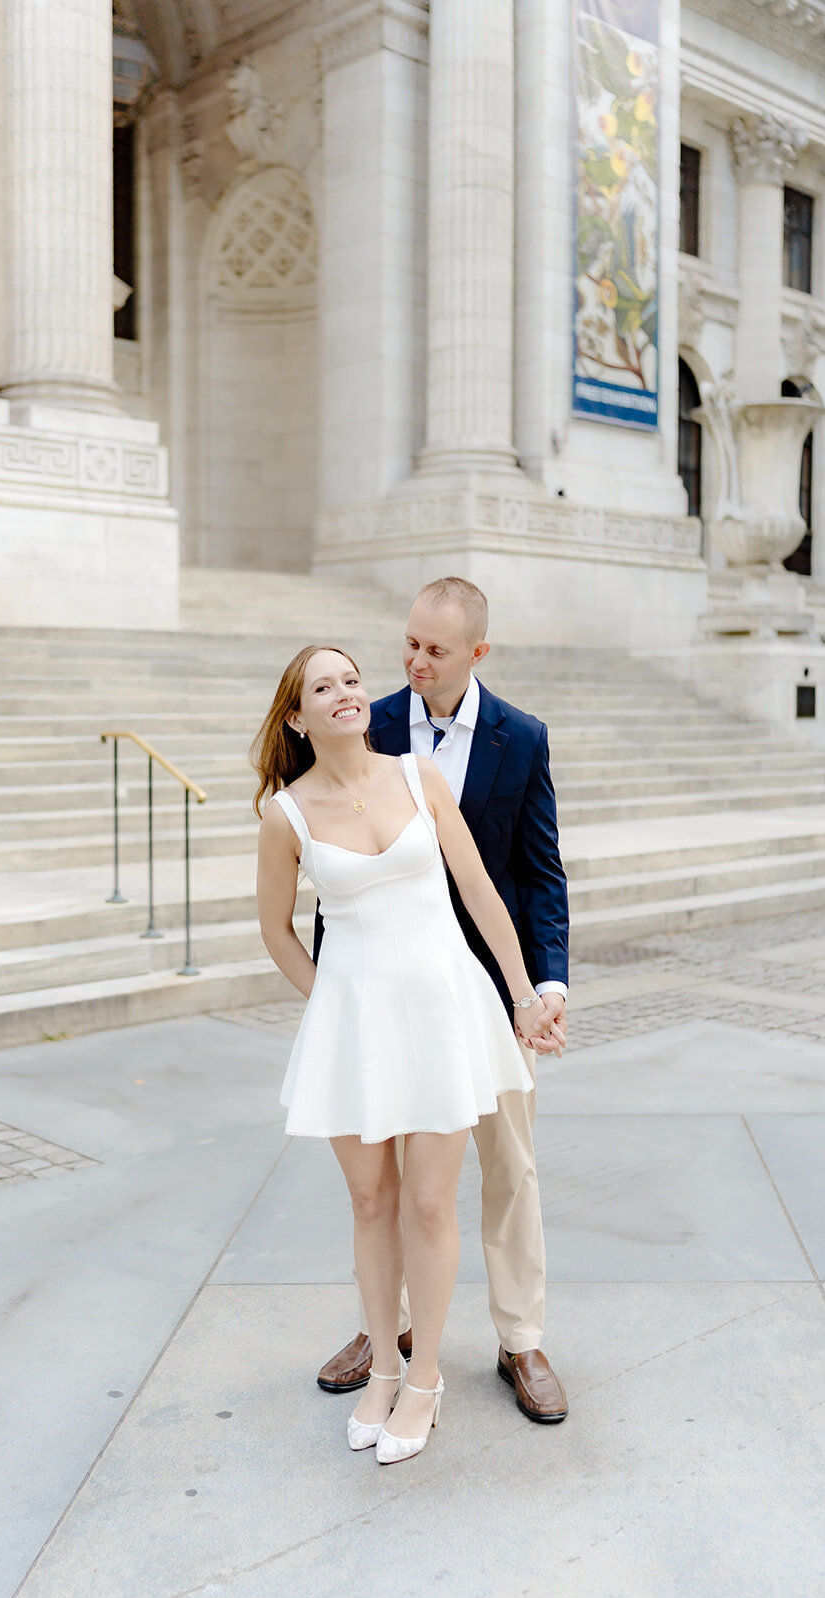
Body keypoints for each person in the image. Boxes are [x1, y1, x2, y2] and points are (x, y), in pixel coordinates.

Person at [252, 644, 562, 1464]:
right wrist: (330, 1003)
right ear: (297, 715)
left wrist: (526, 996)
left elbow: (483, 894)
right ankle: (382, 1371)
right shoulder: (285, 814)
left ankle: (425, 1377)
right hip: (355, 1024)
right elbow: (275, 931)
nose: (347, 693)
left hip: (440, 1013)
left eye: (352, 679)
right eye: (324, 686)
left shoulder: (419, 776)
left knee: (430, 1204)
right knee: (368, 1204)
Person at [316, 577, 571, 1425]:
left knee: (508, 1166)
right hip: (386, 995)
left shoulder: (522, 739)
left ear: (477, 654)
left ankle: (520, 1338)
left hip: (488, 994)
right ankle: (381, 1332)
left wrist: (542, 987)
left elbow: (538, 876)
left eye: (437, 650)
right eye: (410, 644)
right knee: (384, 1181)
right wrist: (331, 998)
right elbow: (322, 859)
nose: (416, 661)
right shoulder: (367, 721)